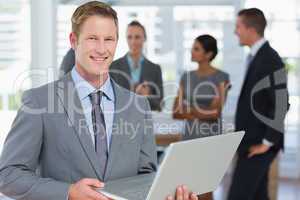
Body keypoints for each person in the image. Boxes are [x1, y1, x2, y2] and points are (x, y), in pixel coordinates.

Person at [0, 2, 197, 200]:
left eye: (109, 39)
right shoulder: (38, 101)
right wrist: (67, 192)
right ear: (73, 40)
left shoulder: (138, 106)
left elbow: (146, 179)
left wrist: (168, 194)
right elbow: (8, 176)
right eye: (93, 38)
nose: (102, 49)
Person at [227, 8, 289, 200]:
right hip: (250, 142)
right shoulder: (257, 56)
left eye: (238, 26)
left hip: (259, 144)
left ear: (250, 29)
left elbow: (282, 103)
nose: (235, 31)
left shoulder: (269, 59)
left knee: (237, 196)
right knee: (258, 196)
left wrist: (266, 143)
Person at [173, 34, 230, 140]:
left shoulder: (222, 77)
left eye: (196, 49)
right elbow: (176, 112)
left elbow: (214, 113)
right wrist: (203, 112)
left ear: (208, 54)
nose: (191, 52)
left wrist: (188, 109)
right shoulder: (186, 77)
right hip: (189, 136)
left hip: (211, 137)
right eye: (192, 48)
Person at [110, 20, 164, 111]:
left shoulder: (155, 69)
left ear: (145, 38)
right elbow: (109, 101)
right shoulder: (113, 67)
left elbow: (160, 104)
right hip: (121, 121)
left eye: (137, 37)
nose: (133, 41)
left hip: (145, 122)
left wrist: (147, 96)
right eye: (129, 37)